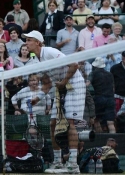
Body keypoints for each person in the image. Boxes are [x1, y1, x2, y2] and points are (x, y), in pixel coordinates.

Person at [23, 30, 85, 174]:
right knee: (52, 124)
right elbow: (46, 85)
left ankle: (73, 164)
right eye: (26, 40)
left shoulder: (50, 52)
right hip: (60, 88)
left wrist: (63, 82)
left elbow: (74, 65)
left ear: (37, 42)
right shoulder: (35, 61)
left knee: (70, 123)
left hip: (74, 85)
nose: (26, 43)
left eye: (29, 40)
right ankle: (57, 162)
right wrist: (37, 98)